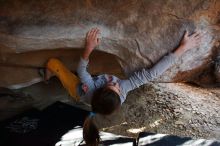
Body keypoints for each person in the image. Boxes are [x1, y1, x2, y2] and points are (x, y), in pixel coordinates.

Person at [44, 28, 202, 146]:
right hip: (92, 92)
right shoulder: (123, 89)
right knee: (57, 67)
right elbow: (151, 73)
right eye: (117, 88)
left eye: (112, 85)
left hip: (77, 91)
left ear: (99, 89)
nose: (116, 84)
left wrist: (89, 48)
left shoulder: (89, 88)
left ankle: (49, 73)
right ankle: (51, 74)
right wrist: (183, 48)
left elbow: (81, 70)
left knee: (54, 64)